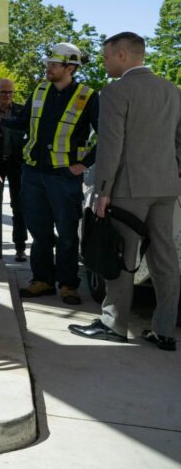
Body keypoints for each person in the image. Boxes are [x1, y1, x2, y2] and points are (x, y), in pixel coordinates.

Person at [68, 32, 181, 350]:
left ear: (122, 55)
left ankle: (112, 324)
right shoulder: (172, 90)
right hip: (166, 187)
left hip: (129, 188)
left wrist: (102, 191)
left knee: (119, 255)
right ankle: (164, 330)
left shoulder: (116, 92)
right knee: (165, 258)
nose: (104, 63)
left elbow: (110, 145)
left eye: (105, 57)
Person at [0, 42, 98, 305]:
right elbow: (22, 122)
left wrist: (84, 164)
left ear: (70, 67)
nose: (48, 67)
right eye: (47, 63)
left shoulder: (88, 96)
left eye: (53, 64)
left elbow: (107, 135)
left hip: (64, 178)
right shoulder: (40, 90)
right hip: (33, 174)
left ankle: (68, 284)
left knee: (68, 234)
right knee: (40, 232)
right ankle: (42, 280)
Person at [0, 78, 28, 262]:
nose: (7, 95)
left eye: (10, 92)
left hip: (18, 165)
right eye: (3, 92)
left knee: (19, 207)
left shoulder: (21, 111)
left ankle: (20, 248)